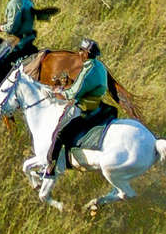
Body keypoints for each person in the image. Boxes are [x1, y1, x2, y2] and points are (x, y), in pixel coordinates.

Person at [43, 38, 117, 178]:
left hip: (85, 107)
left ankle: (50, 168)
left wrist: (55, 92)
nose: (79, 53)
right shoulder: (99, 65)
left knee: (59, 134)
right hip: (98, 103)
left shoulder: (87, 70)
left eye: (81, 51)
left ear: (87, 54)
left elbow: (73, 94)